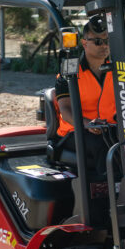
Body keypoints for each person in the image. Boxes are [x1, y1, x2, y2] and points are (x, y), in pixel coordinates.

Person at [51, 15, 115, 173]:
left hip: (109, 128)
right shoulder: (69, 70)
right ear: (84, 43)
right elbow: (66, 111)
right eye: (98, 41)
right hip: (75, 132)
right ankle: (110, 191)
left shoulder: (118, 69)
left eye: (107, 41)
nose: (104, 46)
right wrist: (87, 124)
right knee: (103, 145)